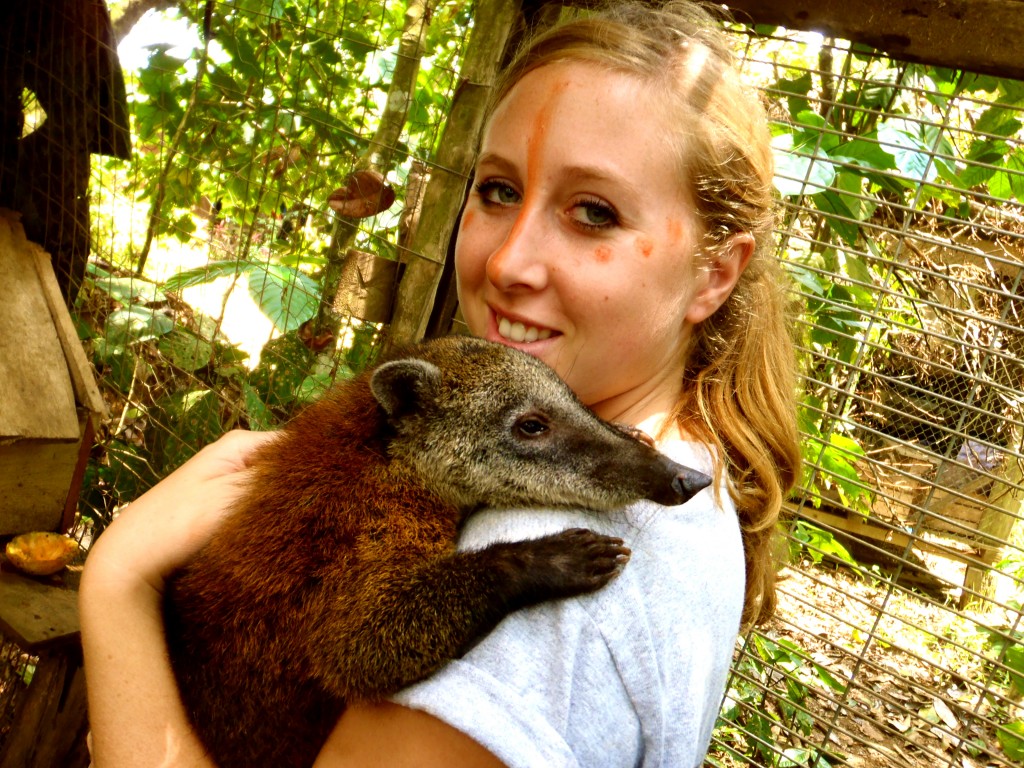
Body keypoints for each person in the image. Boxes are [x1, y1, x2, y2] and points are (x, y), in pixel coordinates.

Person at [79, 2, 801, 766]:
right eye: (496, 191)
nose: (506, 264)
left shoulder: (535, 560)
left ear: (717, 273)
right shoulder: (704, 464)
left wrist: (117, 582)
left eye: (594, 211)